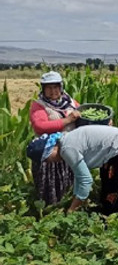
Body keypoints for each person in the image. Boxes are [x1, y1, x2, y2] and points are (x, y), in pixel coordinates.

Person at [26, 124, 118, 214]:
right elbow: (79, 175)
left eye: (47, 159)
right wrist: (77, 197)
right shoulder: (65, 141)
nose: (50, 162)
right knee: (108, 189)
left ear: (52, 150)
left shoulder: (67, 149)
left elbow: (85, 180)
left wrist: (72, 209)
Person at [28, 71, 81, 205]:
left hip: (70, 149)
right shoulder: (39, 105)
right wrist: (67, 120)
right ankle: (50, 210)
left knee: (70, 182)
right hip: (50, 152)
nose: (53, 91)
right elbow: (40, 126)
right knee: (52, 186)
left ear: (61, 87)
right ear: (43, 89)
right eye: (49, 88)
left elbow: (84, 117)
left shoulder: (71, 102)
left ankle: (71, 206)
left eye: (56, 87)